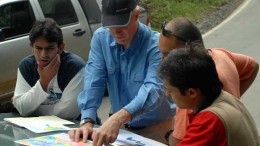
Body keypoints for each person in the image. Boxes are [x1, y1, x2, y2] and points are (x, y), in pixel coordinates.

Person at [68, 0, 175, 145]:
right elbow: (94, 79)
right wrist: (87, 120)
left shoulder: (156, 45)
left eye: (122, 24)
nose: (117, 31)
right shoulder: (101, 38)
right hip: (122, 130)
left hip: (157, 130)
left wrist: (118, 118)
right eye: (111, 25)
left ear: (136, 15)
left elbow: (153, 89)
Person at [159, 17, 259, 145]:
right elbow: (252, 65)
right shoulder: (225, 96)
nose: (167, 94)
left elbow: (178, 141)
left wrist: (169, 136)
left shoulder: (208, 121)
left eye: (170, 90)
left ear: (191, 93)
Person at [12, 18, 85, 120]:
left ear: (60, 47)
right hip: (37, 129)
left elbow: (67, 114)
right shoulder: (26, 66)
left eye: (49, 48)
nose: (43, 55)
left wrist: (33, 110)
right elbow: (22, 108)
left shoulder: (75, 67)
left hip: (75, 129)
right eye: (38, 48)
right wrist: (43, 82)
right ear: (32, 47)